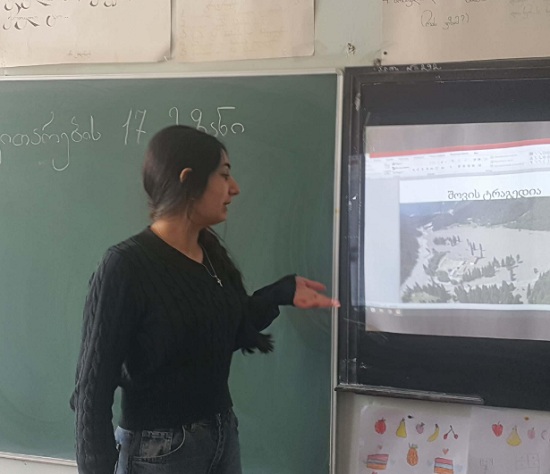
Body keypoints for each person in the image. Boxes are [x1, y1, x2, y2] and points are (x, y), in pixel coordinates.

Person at [70, 125, 339, 474]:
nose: (234, 188)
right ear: (188, 179)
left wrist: (280, 293)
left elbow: (224, 330)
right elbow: (92, 390)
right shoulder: (125, 265)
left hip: (221, 435)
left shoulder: (209, 253)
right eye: (224, 175)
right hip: (159, 450)